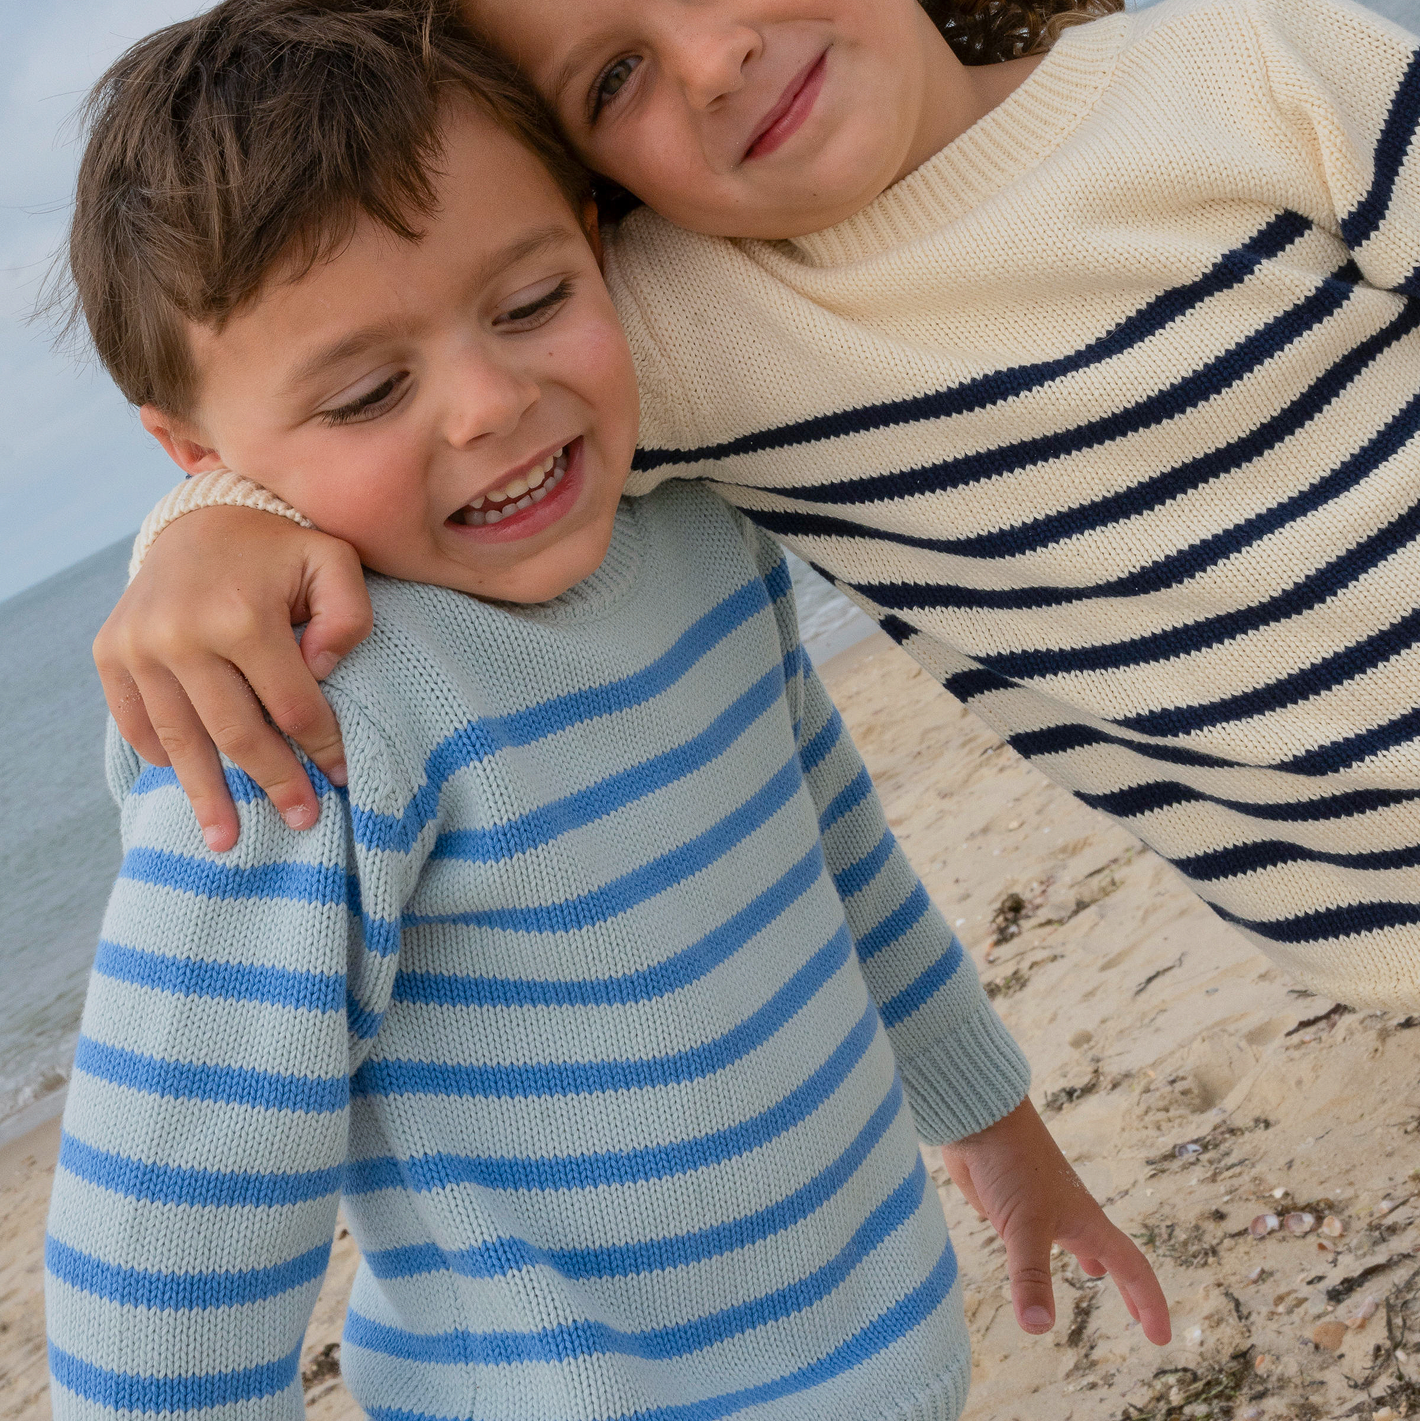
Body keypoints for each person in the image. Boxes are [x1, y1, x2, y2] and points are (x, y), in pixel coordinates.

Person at [43, 5, 1169, 1421]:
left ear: (594, 239)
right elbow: (171, 1236)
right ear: (201, 455)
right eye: (369, 391)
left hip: (886, 1340)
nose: (490, 402)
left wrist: (996, 1128)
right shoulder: (307, 725)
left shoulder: (696, 535)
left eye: (529, 304)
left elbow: (840, 855)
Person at [99, 0, 1420, 1013]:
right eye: (613, 79)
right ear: (589, 189)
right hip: (1373, 934)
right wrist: (206, 530)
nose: (714, 52)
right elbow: (353, 418)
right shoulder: (670, 328)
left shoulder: (1255, 77)